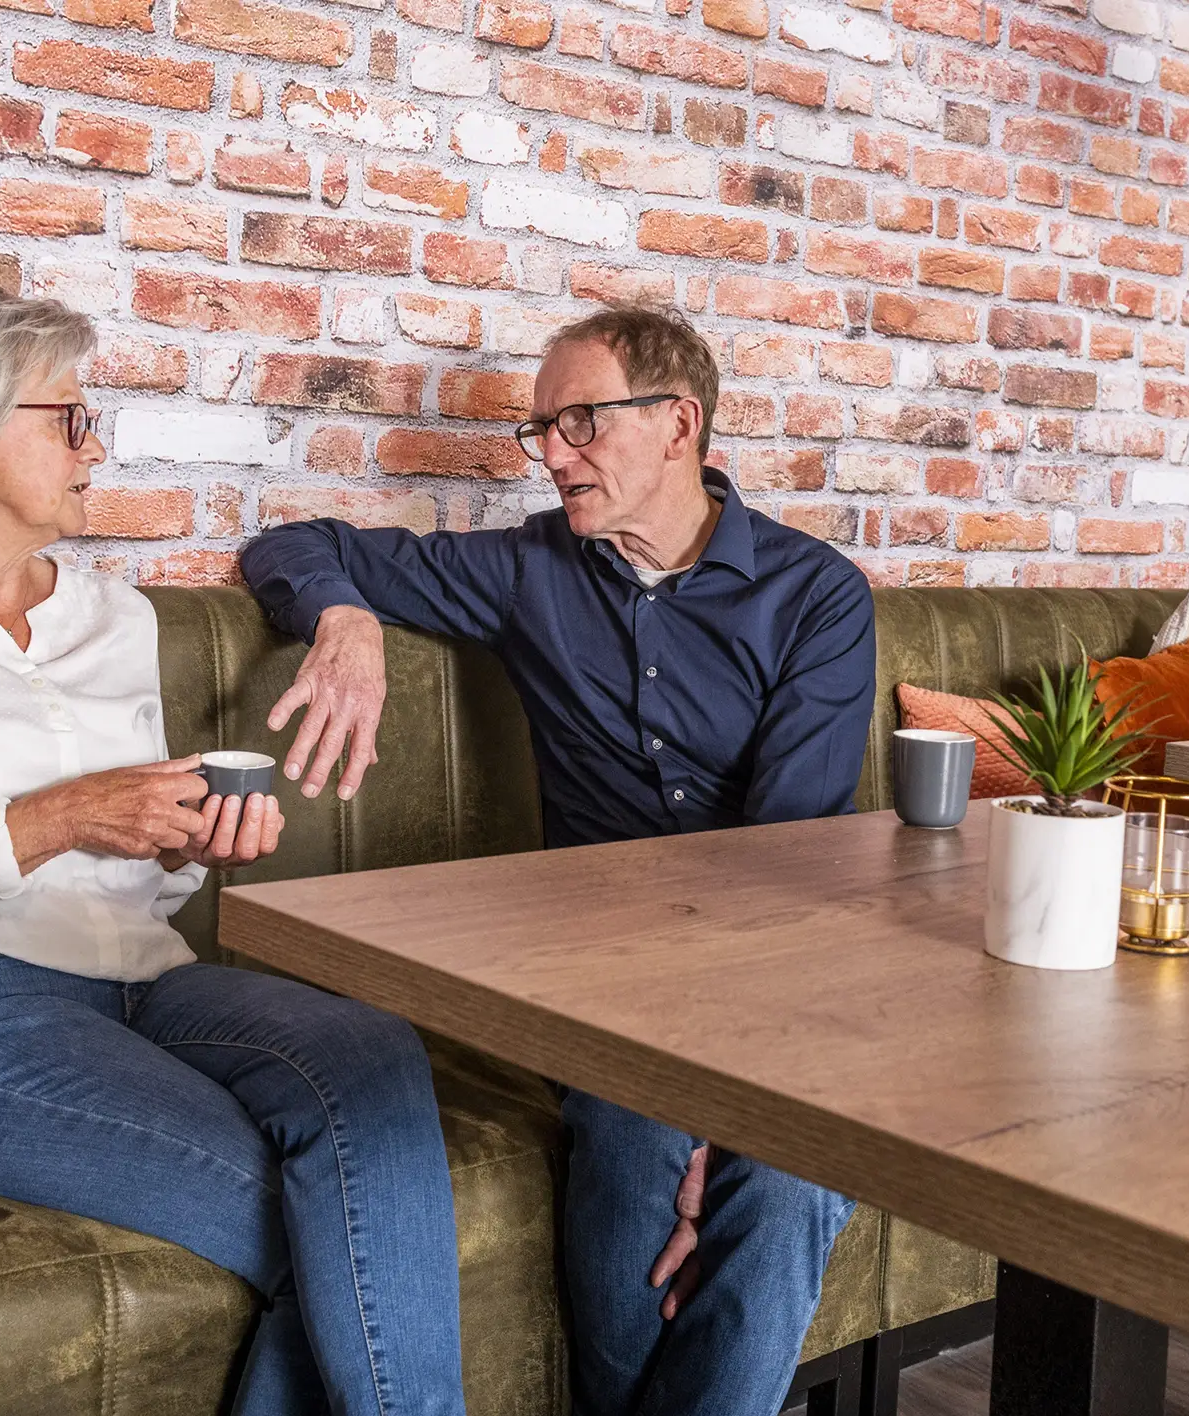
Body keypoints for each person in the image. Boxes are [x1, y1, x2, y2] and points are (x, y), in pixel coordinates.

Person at [0, 283, 469, 1416]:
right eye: (67, 419)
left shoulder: (114, 617)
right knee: (320, 1225)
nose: (95, 448)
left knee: (372, 1059)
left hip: (143, 982)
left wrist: (191, 846)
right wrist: (57, 817)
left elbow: (131, 878)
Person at [240, 303, 874, 1416]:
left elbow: (793, 877)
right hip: (599, 983)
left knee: (789, 1176)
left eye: (580, 421)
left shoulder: (814, 596)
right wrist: (345, 620)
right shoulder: (528, 569)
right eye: (542, 432)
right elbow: (294, 546)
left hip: (782, 974)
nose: (553, 455)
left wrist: (729, 1116)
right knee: (631, 1134)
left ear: (679, 425)